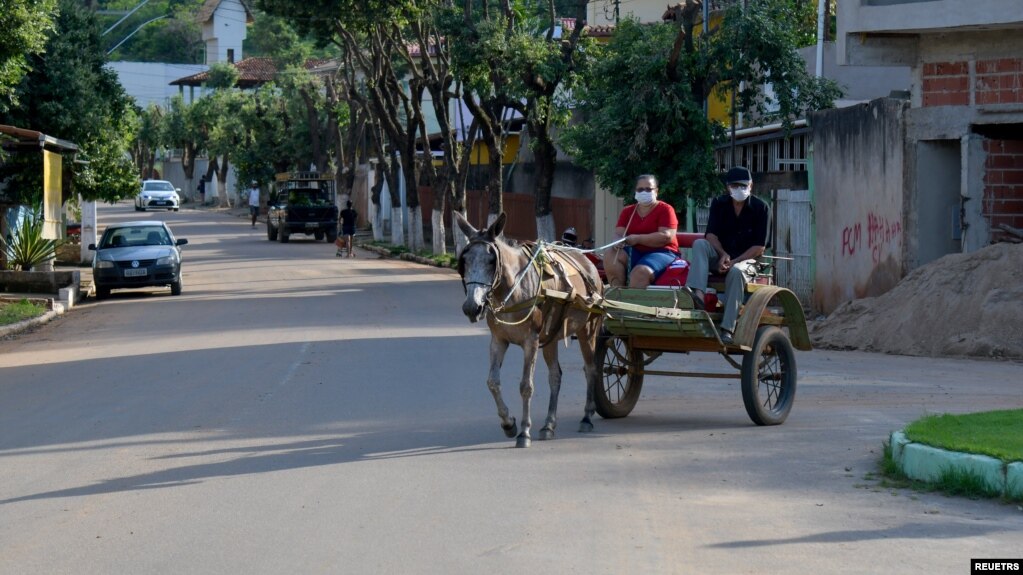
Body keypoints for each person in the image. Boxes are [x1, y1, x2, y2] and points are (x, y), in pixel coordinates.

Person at [685, 166, 770, 345]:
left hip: (747, 262)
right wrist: (723, 254)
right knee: (700, 243)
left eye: (743, 185)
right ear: (728, 187)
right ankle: (698, 296)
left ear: (751, 186)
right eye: (735, 186)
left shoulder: (761, 208)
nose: (739, 189)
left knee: (737, 272)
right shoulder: (719, 203)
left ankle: (727, 328)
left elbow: (759, 247)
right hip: (721, 257)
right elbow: (711, 235)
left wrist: (735, 262)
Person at [603, 174, 681, 288]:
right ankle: (617, 293)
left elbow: (666, 236)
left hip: (663, 252)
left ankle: (632, 303)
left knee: (640, 272)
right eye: (640, 189)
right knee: (610, 254)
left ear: (656, 191)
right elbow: (618, 234)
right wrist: (617, 241)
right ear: (635, 191)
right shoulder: (627, 211)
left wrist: (637, 239)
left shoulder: (666, 209)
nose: (644, 192)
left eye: (648, 189)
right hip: (634, 252)